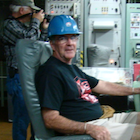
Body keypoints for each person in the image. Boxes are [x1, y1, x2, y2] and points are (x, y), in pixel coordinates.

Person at [35, 15, 140, 140]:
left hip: (104, 117)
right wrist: (88, 128)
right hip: (90, 124)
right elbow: (50, 119)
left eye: (73, 37)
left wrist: (136, 90)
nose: (70, 43)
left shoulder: (72, 68)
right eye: (62, 39)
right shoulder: (50, 73)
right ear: (52, 44)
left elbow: (102, 85)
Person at [2, 0, 49, 140]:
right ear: (22, 10)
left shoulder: (26, 27)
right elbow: (28, 41)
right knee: (22, 118)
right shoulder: (9, 26)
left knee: (37, 116)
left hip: (33, 77)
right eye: (32, 11)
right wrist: (35, 21)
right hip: (18, 78)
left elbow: (38, 45)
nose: (34, 14)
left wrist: (44, 29)